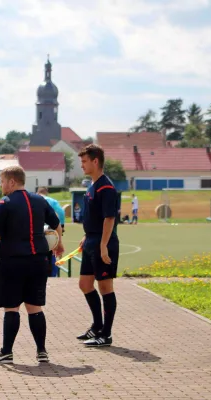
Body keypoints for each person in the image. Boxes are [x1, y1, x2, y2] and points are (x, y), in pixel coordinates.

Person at [0, 166, 64, 364]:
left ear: (12, 182)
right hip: (38, 261)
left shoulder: (4, 203)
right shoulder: (39, 200)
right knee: (35, 308)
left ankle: (7, 352)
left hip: (12, 262)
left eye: (2, 181)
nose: (1, 186)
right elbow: (56, 225)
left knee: (11, 308)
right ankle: (42, 351)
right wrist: (59, 243)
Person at [75, 144, 120, 348]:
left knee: (105, 287)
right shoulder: (92, 185)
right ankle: (97, 326)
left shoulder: (106, 187)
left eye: (84, 161)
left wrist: (103, 245)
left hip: (104, 242)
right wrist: (87, 236)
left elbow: (109, 218)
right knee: (85, 284)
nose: (82, 165)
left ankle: (106, 335)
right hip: (91, 240)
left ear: (95, 161)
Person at [36, 187, 65, 277]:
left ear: (38, 192)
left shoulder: (33, 200)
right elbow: (61, 212)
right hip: (51, 230)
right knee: (51, 251)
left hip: (36, 231)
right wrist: (62, 226)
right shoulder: (52, 201)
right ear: (46, 192)